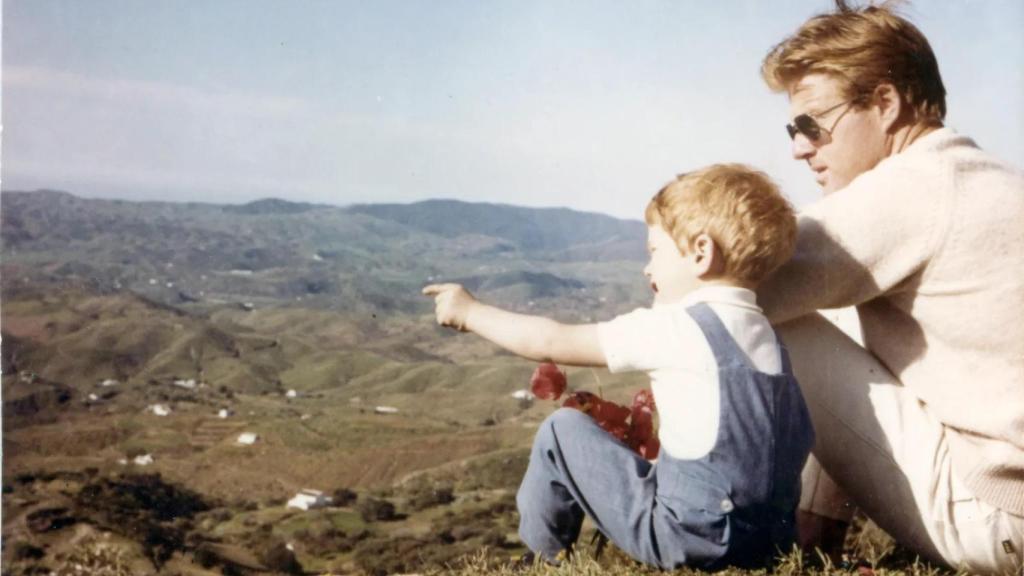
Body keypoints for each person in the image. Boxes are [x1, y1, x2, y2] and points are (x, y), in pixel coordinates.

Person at [424, 164, 815, 569]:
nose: (647, 268)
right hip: (769, 546)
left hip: (689, 540)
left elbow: (549, 341)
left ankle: (541, 560)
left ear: (701, 252)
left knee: (563, 431)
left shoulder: (674, 328)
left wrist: (469, 313)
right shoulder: (771, 340)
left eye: (654, 252)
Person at [756, 2, 1024, 574]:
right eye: (792, 129)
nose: (799, 147)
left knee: (770, 322)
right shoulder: (983, 175)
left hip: (998, 520)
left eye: (811, 124)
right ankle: (816, 530)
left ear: (885, 103)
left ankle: (794, 534)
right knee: (842, 304)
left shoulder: (909, 189)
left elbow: (728, 289)